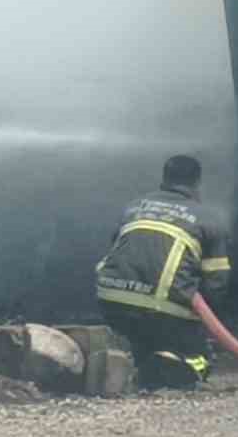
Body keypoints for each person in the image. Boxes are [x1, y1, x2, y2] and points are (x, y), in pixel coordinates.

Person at [96, 154, 231, 389]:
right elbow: (216, 281)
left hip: (112, 301)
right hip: (162, 309)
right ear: (197, 182)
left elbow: (118, 251)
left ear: (164, 178)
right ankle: (177, 366)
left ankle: (135, 359)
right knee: (200, 360)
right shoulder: (210, 218)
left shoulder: (134, 207)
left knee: (139, 344)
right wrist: (200, 320)